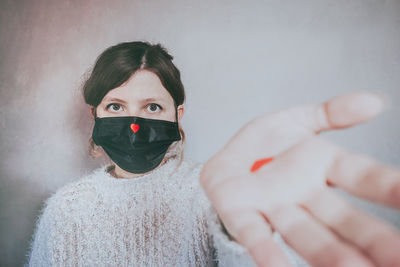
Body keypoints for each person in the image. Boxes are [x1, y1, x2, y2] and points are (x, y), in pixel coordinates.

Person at [25, 41, 400, 267]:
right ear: (95, 115)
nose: (134, 123)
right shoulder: (66, 209)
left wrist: (238, 232)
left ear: (178, 115)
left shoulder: (213, 193)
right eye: (116, 107)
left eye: (152, 107)